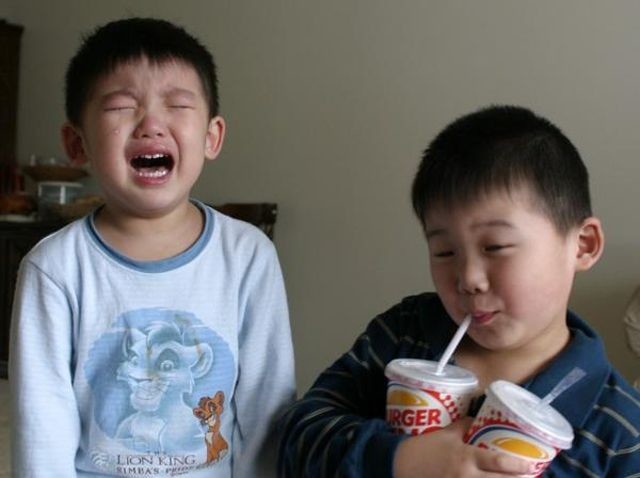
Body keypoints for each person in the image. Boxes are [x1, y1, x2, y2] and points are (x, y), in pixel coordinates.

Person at [278, 105, 640, 477]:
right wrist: (401, 460)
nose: (468, 278)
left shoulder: (622, 432)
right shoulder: (403, 334)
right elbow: (295, 439)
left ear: (582, 245)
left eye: (496, 247)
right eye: (444, 252)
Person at [9, 17, 296, 477]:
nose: (151, 124)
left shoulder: (248, 256)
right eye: (122, 107)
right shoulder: (55, 268)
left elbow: (267, 410)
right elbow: (41, 422)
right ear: (76, 144)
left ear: (212, 137)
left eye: (177, 105)